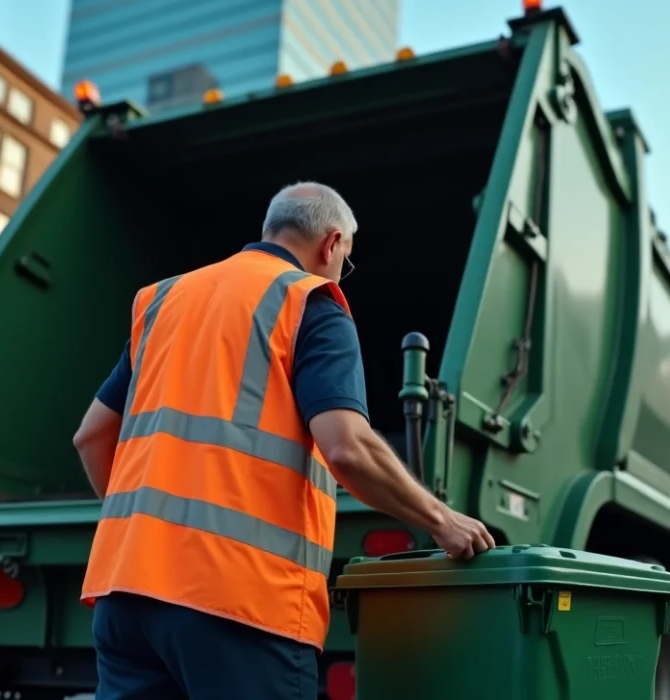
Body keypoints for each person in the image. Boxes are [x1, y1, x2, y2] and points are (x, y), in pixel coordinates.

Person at [71, 182, 496, 700]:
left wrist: (144, 535)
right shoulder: (310, 303)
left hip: (127, 595)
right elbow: (347, 448)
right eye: (348, 259)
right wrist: (442, 520)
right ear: (331, 244)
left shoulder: (163, 301)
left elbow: (91, 437)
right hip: (239, 604)